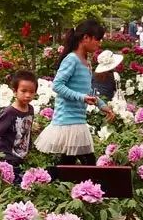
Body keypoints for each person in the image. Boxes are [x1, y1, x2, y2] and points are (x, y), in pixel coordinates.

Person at [35, 19, 110, 166]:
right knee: (88, 164)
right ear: (85, 38)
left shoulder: (86, 62)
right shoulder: (72, 60)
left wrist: (102, 105)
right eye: (97, 39)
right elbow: (57, 85)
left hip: (77, 121)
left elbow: (86, 90)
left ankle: (57, 185)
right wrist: (81, 98)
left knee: (69, 165)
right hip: (68, 121)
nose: (99, 44)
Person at [0, 70, 37, 171]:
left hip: (21, 156)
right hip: (7, 157)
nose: (28, 95)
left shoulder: (30, 109)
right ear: (15, 91)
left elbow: (27, 132)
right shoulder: (10, 112)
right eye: (23, 91)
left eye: (31, 92)